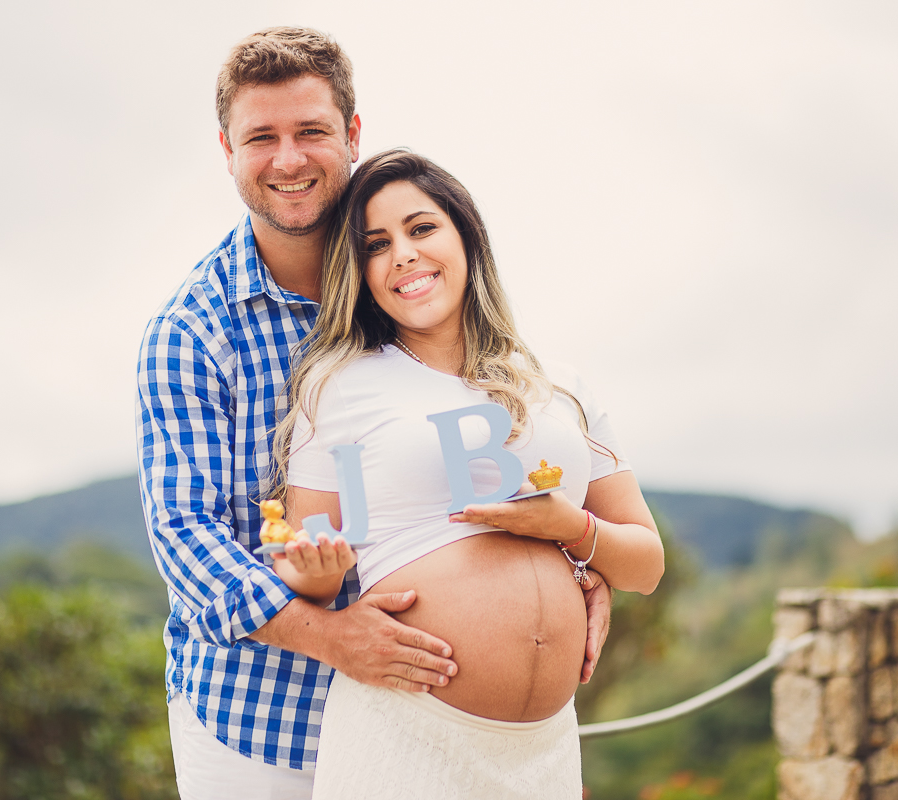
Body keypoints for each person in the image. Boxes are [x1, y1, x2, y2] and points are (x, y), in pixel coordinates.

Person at [136, 27, 616, 800]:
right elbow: (183, 535)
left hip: (436, 711)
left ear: (352, 135)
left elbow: (501, 443)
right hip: (262, 719)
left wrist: (578, 564)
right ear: (226, 149)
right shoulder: (193, 332)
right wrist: (330, 637)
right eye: (261, 137)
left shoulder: (411, 284)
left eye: (311, 132)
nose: (288, 159)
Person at [268, 150, 666, 800]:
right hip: (404, 736)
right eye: (376, 244)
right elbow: (315, 559)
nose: (402, 254)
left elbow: (645, 567)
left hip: (543, 751)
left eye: (421, 229)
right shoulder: (338, 387)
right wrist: (311, 573)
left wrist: (573, 528)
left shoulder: (560, 387)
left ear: (465, 236)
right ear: (359, 272)